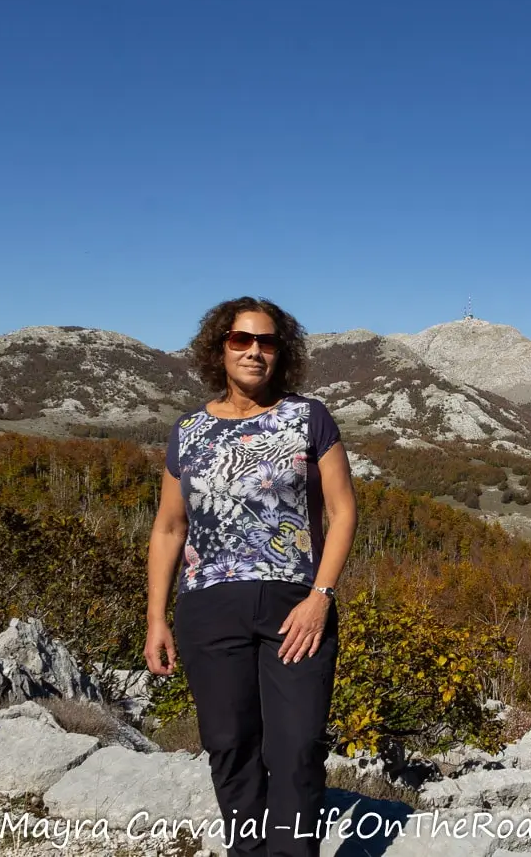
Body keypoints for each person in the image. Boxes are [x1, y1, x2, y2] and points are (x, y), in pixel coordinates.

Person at [144, 296, 357, 857]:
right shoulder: (187, 431)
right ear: (221, 348)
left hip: (296, 608)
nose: (254, 351)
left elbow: (344, 513)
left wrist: (320, 598)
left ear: (281, 353)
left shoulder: (308, 418)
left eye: (266, 341)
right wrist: (155, 619)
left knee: (297, 745)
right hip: (207, 610)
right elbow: (168, 529)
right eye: (242, 339)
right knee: (229, 743)